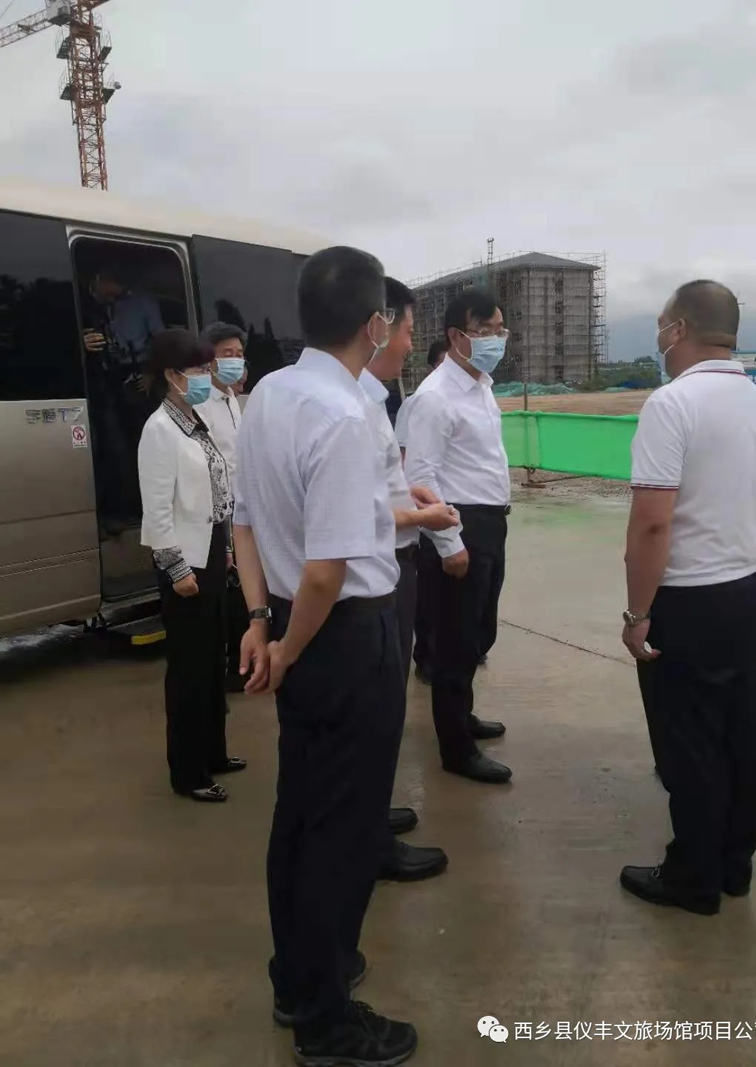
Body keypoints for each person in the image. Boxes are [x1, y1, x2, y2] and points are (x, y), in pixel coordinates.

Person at [234, 247, 418, 1066]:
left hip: (290, 622)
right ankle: (326, 1017)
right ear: (374, 324)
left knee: (302, 813)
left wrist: (258, 621)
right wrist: (286, 646)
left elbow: (243, 522)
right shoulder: (343, 415)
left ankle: (297, 976)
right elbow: (327, 569)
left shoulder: (268, 394)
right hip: (338, 635)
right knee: (343, 833)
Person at [620, 281, 756, 916]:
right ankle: (734, 863)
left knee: (688, 745)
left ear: (680, 329)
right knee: (740, 733)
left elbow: (652, 523)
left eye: (662, 324)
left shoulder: (672, 404)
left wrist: (638, 614)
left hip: (688, 600)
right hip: (745, 591)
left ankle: (693, 876)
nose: (660, 336)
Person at [359, 277, 460, 881]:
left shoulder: (371, 401)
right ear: (377, 326)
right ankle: (368, 838)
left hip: (392, 568)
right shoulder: (351, 407)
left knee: (386, 705)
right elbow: (355, 511)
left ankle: (371, 813)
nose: (408, 345)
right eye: (406, 331)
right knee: (376, 710)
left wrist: (409, 493)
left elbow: (382, 484)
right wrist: (422, 517)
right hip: (377, 574)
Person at [404, 290, 512, 785]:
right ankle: (455, 748)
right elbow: (421, 476)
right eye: (484, 330)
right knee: (454, 639)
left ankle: (462, 716)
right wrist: (450, 544)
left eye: (499, 330)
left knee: (478, 632)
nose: (495, 339)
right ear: (456, 336)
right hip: (457, 523)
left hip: (490, 522)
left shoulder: (481, 386)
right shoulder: (435, 397)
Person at [138, 329, 246, 803]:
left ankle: (213, 752)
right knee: (189, 670)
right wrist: (175, 568)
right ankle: (188, 772)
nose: (206, 376)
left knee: (213, 662)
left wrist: (226, 547)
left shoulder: (195, 419)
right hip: (185, 563)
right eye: (199, 369)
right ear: (172, 375)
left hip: (212, 551)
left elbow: (216, 491)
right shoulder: (159, 429)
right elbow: (157, 511)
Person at [84, 270, 166, 529]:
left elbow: (161, 340)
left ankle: (140, 508)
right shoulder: (83, 303)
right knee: (110, 444)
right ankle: (116, 509)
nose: (118, 293)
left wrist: (150, 373)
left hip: (136, 377)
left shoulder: (143, 301)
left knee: (138, 443)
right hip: (102, 382)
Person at [196, 322, 251, 691]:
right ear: (209, 359)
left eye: (239, 354)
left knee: (241, 588)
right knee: (224, 592)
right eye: (226, 354)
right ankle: (225, 670)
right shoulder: (201, 402)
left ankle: (239, 664)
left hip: (238, 506)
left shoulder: (232, 398)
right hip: (215, 512)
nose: (235, 360)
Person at [397, 339, 449, 686]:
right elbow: (404, 460)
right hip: (426, 511)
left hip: (450, 511)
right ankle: (427, 658)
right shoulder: (418, 403)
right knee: (429, 597)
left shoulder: (475, 399)